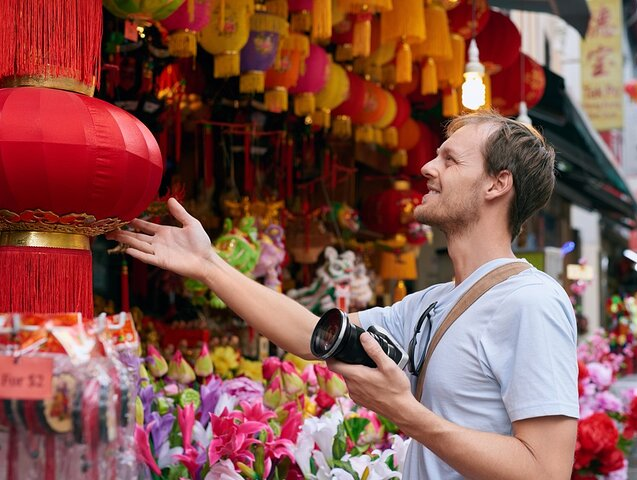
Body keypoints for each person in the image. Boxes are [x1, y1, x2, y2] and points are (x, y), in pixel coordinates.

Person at [108, 110, 579, 479]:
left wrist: (408, 416)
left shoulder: (530, 301)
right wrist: (207, 265)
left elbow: (545, 469)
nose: (427, 167)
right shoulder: (431, 302)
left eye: (450, 160)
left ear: (498, 184)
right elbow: (311, 335)